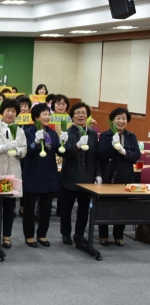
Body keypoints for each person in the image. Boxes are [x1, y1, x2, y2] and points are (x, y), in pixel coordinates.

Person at [0, 98, 27, 250]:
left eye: (13, 111)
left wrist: (18, 150)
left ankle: (6, 236)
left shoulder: (20, 131)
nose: (10, 113)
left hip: (12, 172)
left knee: (9, 207)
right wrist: (4, 147)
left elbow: (24, 151)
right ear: (2, 112)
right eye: (8, 110)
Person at [59, 102, 101, 246]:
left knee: (83, 209)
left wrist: (98, 174)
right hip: (70, 176)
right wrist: (76, 146)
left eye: (84, 112)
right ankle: (65, 233)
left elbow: (96, 156)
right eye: (77, 113)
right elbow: (65, 154)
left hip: (87, 178)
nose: (81, 115)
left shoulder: (93, 133)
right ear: (72, 117)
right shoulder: (67, 133)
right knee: (66, 208)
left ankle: (79, 234)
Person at [97, 107, 140, 246]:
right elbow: (100, 154)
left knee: (122, 208)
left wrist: (123, 151)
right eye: (118, 118)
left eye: (124, 119)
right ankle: (103, 236)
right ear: (112, 120)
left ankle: (118, 236)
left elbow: (136, 156)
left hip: (125, 178)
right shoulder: (105, 135)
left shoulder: (131, 136)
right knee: (105, 207)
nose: (121, 121)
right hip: (108, 177)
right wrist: (112, 146)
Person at [22, 103, 60, 248]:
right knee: (30, 209)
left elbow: (58, 151)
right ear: (36, 117)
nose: (48, 117)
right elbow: (27, 152)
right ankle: (29, 235)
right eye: (45, 114)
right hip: (32, 174)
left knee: (46, 209)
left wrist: (62, 142)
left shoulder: (51, 132)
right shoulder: (28, 132)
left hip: (49, 175)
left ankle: (42, 234)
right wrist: (36, 143)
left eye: (49, 114)